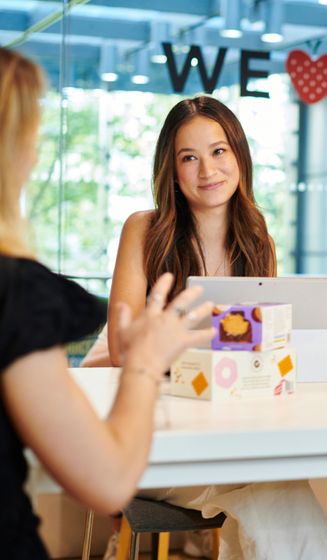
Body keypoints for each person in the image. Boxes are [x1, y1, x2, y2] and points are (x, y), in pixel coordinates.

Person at [0, 47, 215, 559]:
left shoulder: (257, 238)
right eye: (31, 135)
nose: (34, 156)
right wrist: (144, 360)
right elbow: (107, 480)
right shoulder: (16, 295)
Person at [107, 95, 327, 560]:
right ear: (171, 170)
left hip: (234, 432)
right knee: (281, 490)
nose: (207, 170)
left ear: (239, 157)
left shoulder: (256, 237)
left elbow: (263, 348)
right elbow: (120, 349)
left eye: (219, 152)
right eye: (188, 157)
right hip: (159, 439)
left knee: (279, 485)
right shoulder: (144, 229)